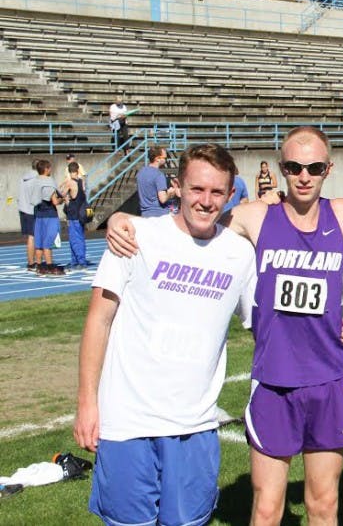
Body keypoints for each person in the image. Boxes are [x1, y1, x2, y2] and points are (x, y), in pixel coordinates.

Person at [106, 126, 343, 525]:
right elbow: (193, 216)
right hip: (274, 381)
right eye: (293, 167)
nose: (304, 176)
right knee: (268, 508)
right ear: (281, 169)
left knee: (323, 506)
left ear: (328, 168)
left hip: (329, 381)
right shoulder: (256, 216)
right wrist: (122, 217)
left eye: (313, 167)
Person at [75, 144, 258, 526]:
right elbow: (98, 321)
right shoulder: (134, 235)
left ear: (230, 195)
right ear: (177, 187)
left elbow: (265, 326)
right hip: (127, 423)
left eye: (217, 192)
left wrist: (325, 331)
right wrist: (87, 404)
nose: (206, 201)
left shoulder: (240, 254)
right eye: (196, 189)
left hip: (194, 426)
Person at [32, 159, 65, 276]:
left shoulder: (35, 181)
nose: (51, 170)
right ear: (46, 169)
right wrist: (63, 199)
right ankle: (50, 266)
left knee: (39, 242)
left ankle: (40, 266)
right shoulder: (49, 181)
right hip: (50, 215)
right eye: (50, 168)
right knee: (48, 241)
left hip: (38, 214)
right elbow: (55, 201)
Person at [62, 161, 93, 270]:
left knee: (75, 239)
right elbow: (83, 193)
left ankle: (80, 261)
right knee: (79, 237)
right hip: (80, 213)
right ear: (77, 170)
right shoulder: (81, 181)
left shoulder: (70, 183)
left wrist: (63, 187)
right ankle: (76, 260)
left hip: (73, 213)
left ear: (69, 171)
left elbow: (62, 194)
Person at [137, 145, 179, 217]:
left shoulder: (140, 172)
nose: (165, 160)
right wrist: (170, 193)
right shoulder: (159, 175)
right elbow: (163, 199)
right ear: (157, 159)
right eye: (165, 158)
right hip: (159, 215)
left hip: (145, 214)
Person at [17, 159, 39, 271]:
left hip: (23, 209)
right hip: (31, 210)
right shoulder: (37, 180)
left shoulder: (23, 178)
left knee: (30, 237)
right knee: (33, 237)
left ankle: (31, 261)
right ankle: (32, 262)